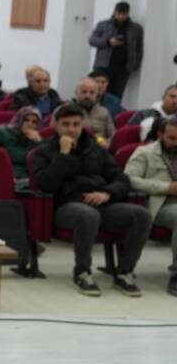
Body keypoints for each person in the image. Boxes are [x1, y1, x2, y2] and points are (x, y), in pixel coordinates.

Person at [32, 103, 151, 297]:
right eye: (66, 124)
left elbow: (121, 179)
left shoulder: (96, 148)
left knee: (141, 215)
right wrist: (63, 155)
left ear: (82, 124)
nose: (71, 129)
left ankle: (124, 272)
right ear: (56, 125)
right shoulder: (45, 150)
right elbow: (46, 185)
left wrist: (107, 194)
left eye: (76, 124)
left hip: (101, 202)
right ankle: (82, 271)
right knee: (88, 215)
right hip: (66, 206)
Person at [124, 117, 177, 296]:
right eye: (172, 138)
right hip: (161, 203)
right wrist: (166, 188)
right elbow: (129, 179)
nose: (175, 142)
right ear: (161, 134)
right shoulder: (145, 152)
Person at [89, 1, 144, 99]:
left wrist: (135, 64)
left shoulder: (136, 28)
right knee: (97, 93)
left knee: (117, 96)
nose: (121, 16)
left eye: (124, 14)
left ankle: (114, 114)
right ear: (114, 12)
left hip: (123, 69)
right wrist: (108, 42)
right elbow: (92, 40)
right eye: (119, 13)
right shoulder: (103, 24)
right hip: (103, 66)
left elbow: (139, 48)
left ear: (128, 13)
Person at [0, 107, 42, 190]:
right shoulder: (1, 133)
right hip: (3, 177)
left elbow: (42, 164)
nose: (30, 124)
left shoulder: (37, 139)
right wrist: (5, 176)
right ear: (19, 119)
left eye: (34, 122)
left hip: (29, 180)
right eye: (26, 120)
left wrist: (39, 142)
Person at [72, 76, 115, 141]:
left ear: (97, 95)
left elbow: (113, 134)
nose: (87, 95)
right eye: (84, 92)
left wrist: (108, 143)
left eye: (92, 92)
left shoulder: (104, 112)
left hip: (99, 146)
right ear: (76, 93)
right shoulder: (65, 110)